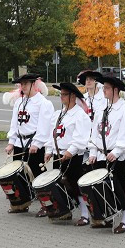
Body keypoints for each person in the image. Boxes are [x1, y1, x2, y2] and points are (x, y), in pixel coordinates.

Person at [85, 76, 125, 233]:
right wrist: (93, 151)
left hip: (117, 157)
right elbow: (95, 131)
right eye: (103, 88)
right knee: (103, 189)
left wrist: (116, 151)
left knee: (121, 188)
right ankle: (107, 217)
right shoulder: (102, 108)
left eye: (106, 88)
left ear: (116, 90)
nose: (103, 91)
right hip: (101, 156)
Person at [40, 82, 91, 223]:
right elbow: (52, 135)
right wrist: (48, 151)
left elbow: (81, 138)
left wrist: (70, 152)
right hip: (58, 155)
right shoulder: (59, 114)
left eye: (64, 94)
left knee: (75, 185)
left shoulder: (80, 116)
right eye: (60, 94)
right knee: (59, 185)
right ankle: (64, 211)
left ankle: (85, 215)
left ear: (73, 96)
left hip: (72, 157)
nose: (61, 97)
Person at [4, 73, 51, 214]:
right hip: (20, 142)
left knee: (38, 176)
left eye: (25, 84)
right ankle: (21, 204)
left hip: (35, 144)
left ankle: (47, 206)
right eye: (21, 84)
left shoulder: (43, 103)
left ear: (33, 84)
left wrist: (37, 143)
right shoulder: (19, 102)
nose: (22, 87)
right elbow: (14, 124)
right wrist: (11, 142)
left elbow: (45, 126)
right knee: (19, 175)